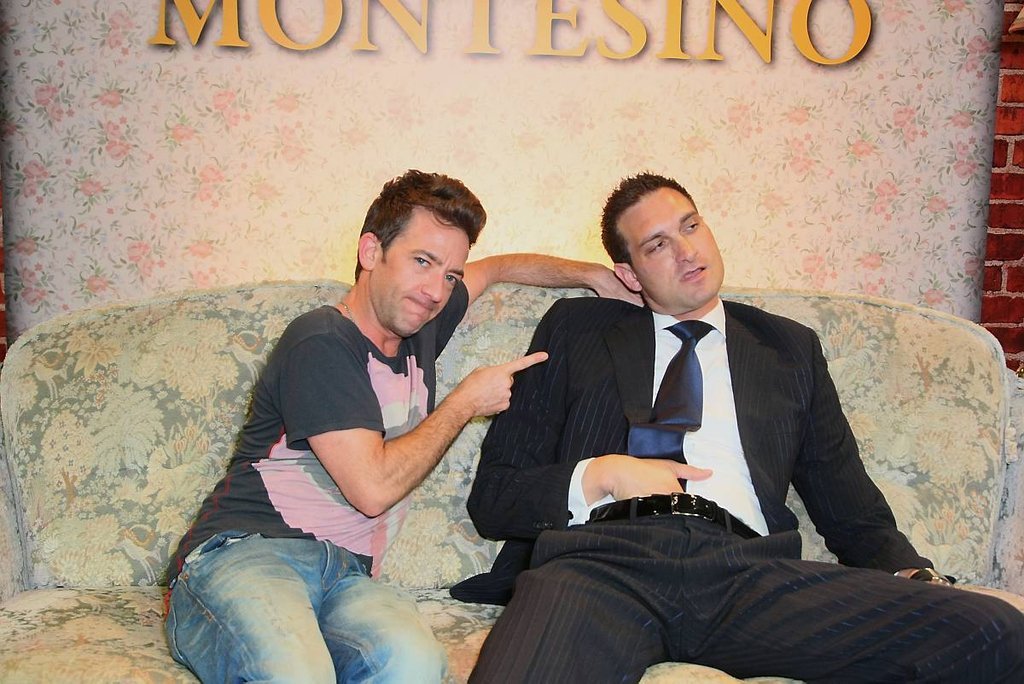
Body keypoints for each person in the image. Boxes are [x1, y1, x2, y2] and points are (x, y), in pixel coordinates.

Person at [454, 173, 1024, 682]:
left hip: (750, 575)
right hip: (599, 566)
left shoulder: (789, 349)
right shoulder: (577, 329)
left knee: (997, 631)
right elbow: (496, 497)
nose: (687, 251)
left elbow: (850, 507)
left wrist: (914, 573)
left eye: (691, 226)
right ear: (629, 273)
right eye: (657, 245)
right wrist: (600, 474)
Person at [163, 169, 638, 683]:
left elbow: (501, 266)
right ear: (372, 251)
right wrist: (463, 403)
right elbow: (372, 490)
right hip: (246, 552)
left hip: (346, 575)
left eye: (450, 275)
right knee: (294, 674)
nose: (436, 290)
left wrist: (594, 275)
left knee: (415, 665)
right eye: (422, 261)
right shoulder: (321, 341)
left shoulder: (420, 327)